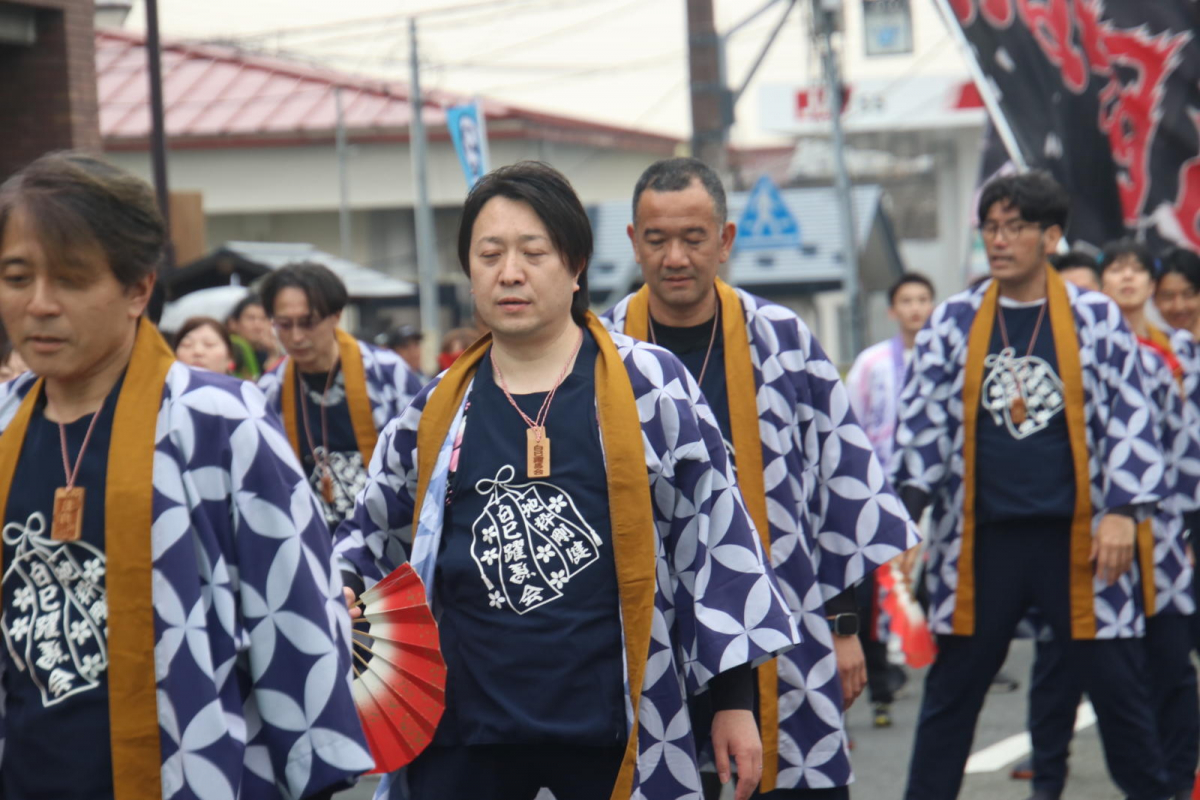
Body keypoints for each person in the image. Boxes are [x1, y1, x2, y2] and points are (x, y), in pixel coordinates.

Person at [334, 161, 800, 800]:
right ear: (468, 270)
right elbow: (368, 536)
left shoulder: (651, 388)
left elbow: (716, 546)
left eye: (534, 252)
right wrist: (344, 590)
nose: (510, 273)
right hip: (465, 734)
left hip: (615, 727)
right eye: (489, 254)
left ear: (576, 264)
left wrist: (735, 701)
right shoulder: (437, 408)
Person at [0, 152, 371, 799]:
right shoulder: (4, 422)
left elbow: (295, 613)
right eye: (16, 276)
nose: (39, 304)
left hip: (196, 774)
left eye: (71, 278)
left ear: (138, 288)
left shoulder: (219, 419)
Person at [604, 157, 920, 799]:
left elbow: (844, 485)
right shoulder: (602, 347)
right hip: (648, 618)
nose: (675, 257)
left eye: (694, 238)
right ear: (633, 242)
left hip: (786, 612)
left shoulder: (781, 337)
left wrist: (847, 625)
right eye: (657, 239)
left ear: (725, 239)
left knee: (795, 777)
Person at [894, 171, 1172, 800]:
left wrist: (1124, 510)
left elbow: (1129, 415)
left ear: (1050, 237)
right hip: (984, 542)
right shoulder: (954, 320)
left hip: (1079, 541)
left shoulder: (1093, 315)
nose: (999, 240)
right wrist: (905, 518)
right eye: (991, 227)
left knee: (1122, 700)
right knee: (949, 699)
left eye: (1015, 227)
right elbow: (921, 426)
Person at [1021, 239, 1200, 800]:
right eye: (1114, 270)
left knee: (1170, 667)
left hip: (1165, 537)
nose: (1126, 280)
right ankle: (1046, 780)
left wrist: (1189, 529)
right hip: (1082, 537)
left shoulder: (1180, 355)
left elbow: (1186, 453)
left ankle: (1171, 783)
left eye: (1136, 270)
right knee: (1061, 668)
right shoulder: (1070, 352)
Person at [258, 263, 423, 532]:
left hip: (386, 532)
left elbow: (425, 452)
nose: (297, 336)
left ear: (336, 315)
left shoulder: (386, 371)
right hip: (309, 536)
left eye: (308, 322)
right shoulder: (269, 390)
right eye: (284, 325)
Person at [844, 272, 935, 729]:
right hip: (883, 487)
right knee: (880, 583)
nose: (916, 308)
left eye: (923, 299)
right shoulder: (872, 362)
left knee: (929, 579)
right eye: (907, 300)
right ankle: (882, 676)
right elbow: (852, 423)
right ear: (892, 310)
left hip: (935, 488)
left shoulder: (947, 358)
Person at [226, 293, 279, 378]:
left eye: (264, 318)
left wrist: (273, 354)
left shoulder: (270, 350)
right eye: (251, 318)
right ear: (233, 323)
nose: (258, 325)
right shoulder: (232, 348)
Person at [1155, 247, 1200, 342]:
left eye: (1188, 294)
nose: (1179, 307)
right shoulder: (1151, 351)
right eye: (1168, 296)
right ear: (1154, 299)